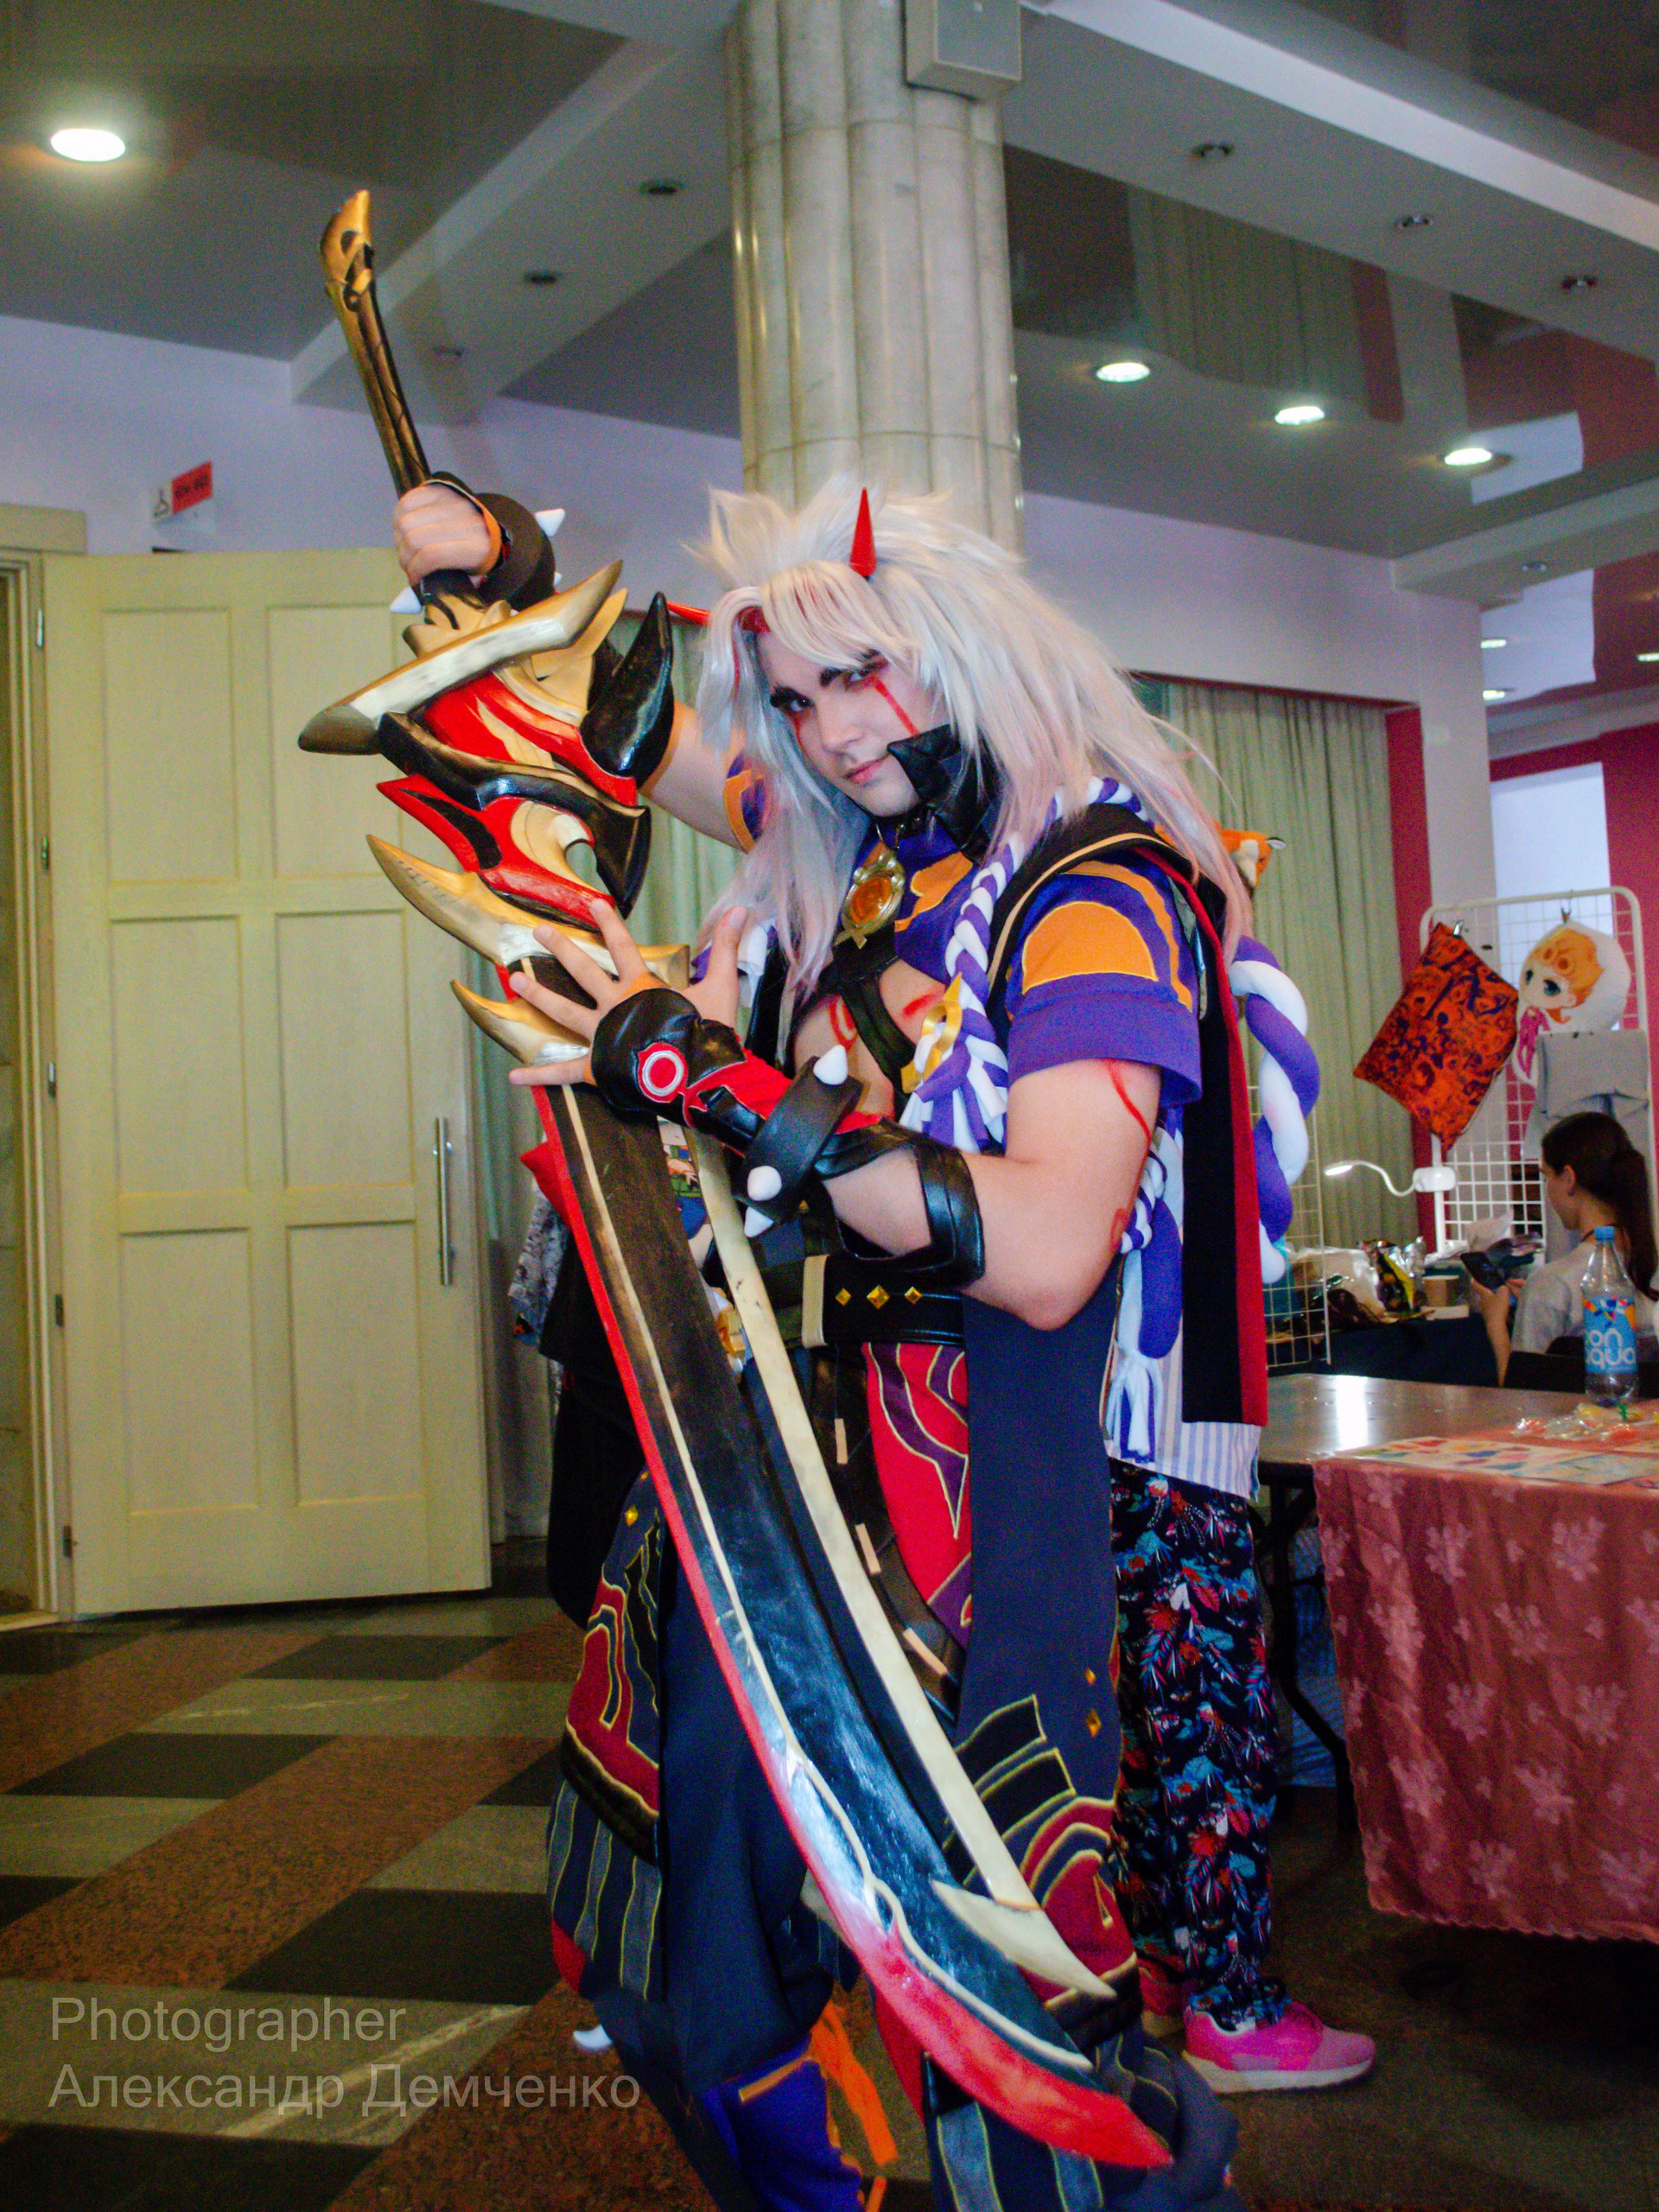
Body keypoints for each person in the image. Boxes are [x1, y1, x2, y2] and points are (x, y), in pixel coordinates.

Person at [392, 474, 1332, 2204]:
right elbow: (640, 726)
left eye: (867, 676)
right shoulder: (869, 857)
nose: (835, 730)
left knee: (999, 1974)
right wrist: (504, 574)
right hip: (763, 1469)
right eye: (802, 697)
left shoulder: (1097, 888)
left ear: (967, 652)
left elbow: (1044, 1248)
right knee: (692, 1918)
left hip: (981, 1492)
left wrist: (715, 1077)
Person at [1471, 1111, 1658, 1382]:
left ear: (1569, 1179)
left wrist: (1495, 1324)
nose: (1547, 1189)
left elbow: (1522, 1398)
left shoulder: (1553, 1283)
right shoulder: (1647, 1267)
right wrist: (1536, 1303)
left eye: (1546, 1176)